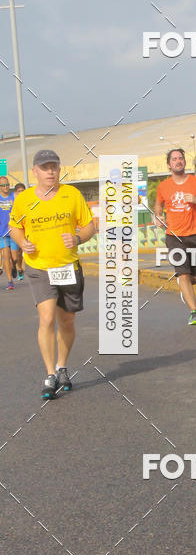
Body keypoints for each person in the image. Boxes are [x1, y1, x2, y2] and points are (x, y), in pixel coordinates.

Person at [8, 150, 96, 399]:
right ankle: (49, 375)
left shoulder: (71, 195)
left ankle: (62, 367)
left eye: (53, 167)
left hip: (67, 267)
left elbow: (90, 226)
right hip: (39, 267)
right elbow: (14, 227)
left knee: (66, 321)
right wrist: (23, 242)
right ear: (34, 171)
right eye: (44, 168)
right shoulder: (24, 199)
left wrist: (78, 237)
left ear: (59, 169)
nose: (50, 172)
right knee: (46, 319)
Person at [154, 148, 196, 325]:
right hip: (174, 236)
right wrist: (158, 216)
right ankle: (194, 312)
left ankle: (185, 287)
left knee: (194, 278)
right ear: (169, 165)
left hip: (195, 235)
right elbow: (158, 205)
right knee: (182, 273)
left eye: (180, 158)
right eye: (174, 159)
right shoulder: (163, 186)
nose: (178, 161)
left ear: (184, 162)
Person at [0, 176, 18, 289]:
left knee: (14, 258)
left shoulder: (14, 197)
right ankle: (10, 281)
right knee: (6, 255)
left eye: (7, 184)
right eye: (3, 185)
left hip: (14, 231)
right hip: (2, 233)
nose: (6, 187)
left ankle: (14, 266)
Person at [12, 182, 26, 280]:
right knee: (15, 256)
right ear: (16, 193)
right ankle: (14, 265)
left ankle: (20, 268)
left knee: (20, 253)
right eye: (19, 191)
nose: (21, 193)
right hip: (14, 230)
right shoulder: (12, 202)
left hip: (24, 231)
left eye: (23, 191)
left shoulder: (28, 202)